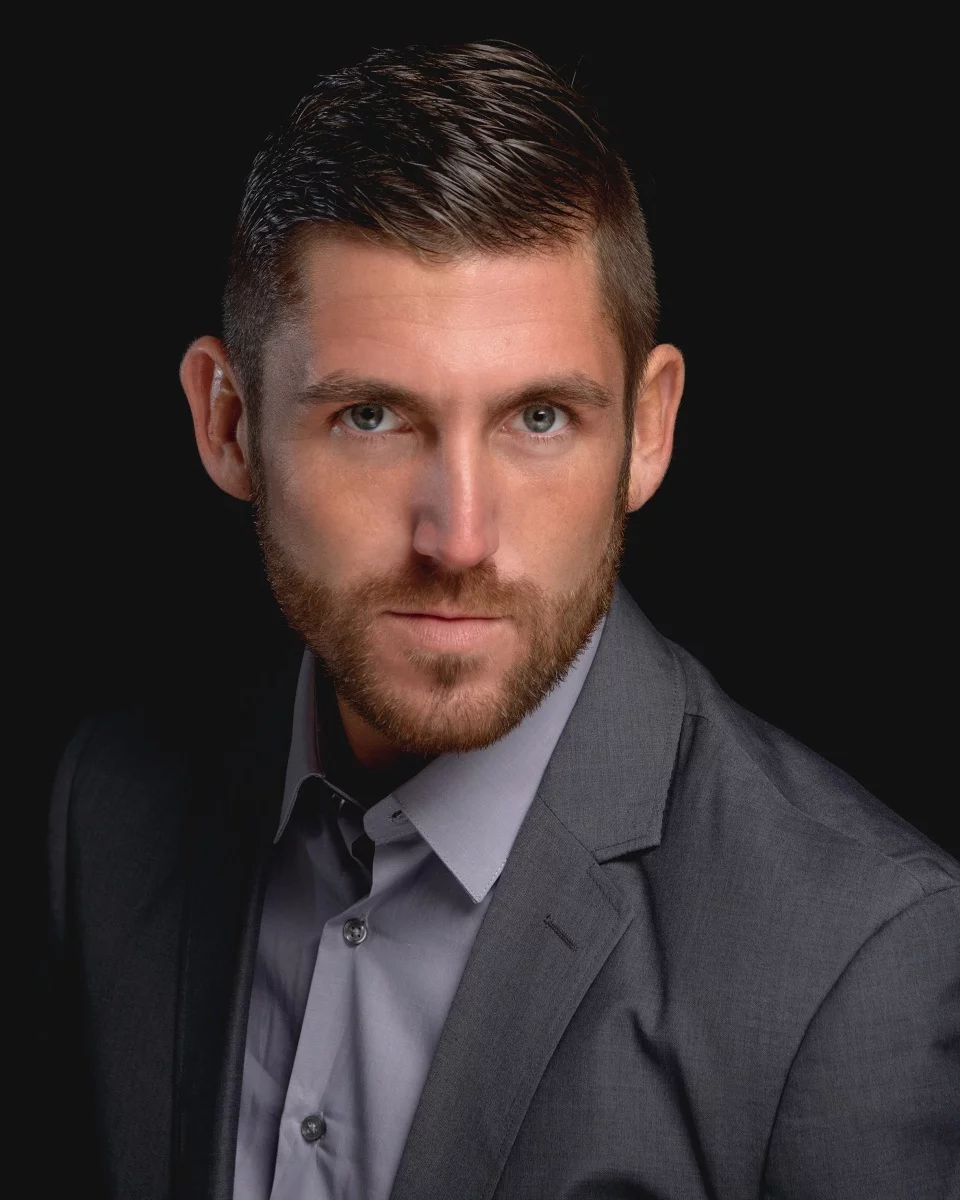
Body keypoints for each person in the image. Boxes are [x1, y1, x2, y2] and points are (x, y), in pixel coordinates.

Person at [47, 40, 959, 1200]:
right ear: (227, 423)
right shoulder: (105, 811)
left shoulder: (859, 957)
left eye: (538, 419)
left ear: (648, 431)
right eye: (372, 417)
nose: (460, 539)